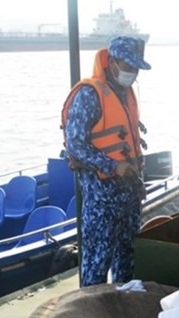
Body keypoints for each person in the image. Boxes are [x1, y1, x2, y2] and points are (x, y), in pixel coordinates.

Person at [61, 36, 150, 287]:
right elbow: (75, 146)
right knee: (96, 264)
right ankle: (91, 308)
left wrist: (138, 183)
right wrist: (113, 166)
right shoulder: (89, 94)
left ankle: (124, 303)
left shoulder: (125, 93)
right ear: (112, 62)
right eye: (128, 66)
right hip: (102, 200)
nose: (132, 72)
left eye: (136, 68)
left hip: (128, 197)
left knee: (128, 259)